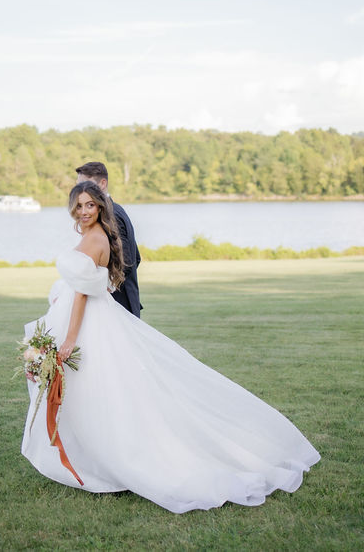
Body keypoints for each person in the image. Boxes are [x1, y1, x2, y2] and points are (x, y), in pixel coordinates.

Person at [20, 181, 320, 514]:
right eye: (79, 205)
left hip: (86, 323)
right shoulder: (95, 236)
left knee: (98, 389)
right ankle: (89, 456)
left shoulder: (94, 239)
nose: (84, 211)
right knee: (95, 389)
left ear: (101, 207)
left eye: (91, 205)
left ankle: (109, 458)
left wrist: (70, 339)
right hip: (91, 316)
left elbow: (81, 295)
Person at [75, 162, 142, 317]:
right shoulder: (114, 210)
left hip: (117, 304)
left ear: (102, 183)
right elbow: (136, 258)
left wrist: (103, 285)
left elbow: (127, 261)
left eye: (85, 185)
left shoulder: (111, 216)